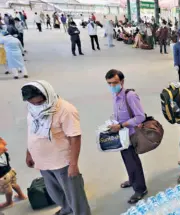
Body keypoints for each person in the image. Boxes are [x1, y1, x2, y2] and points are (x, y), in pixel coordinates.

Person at [22, 80, 91, 214]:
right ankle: (67, 210)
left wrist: (73, 164)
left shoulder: (65, 110)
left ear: (48, 95)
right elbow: (32, 131)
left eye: (39, 102)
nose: (37, 105)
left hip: (62, 162)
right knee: (55, 193)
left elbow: (75, 137)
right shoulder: (32, 109)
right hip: (43, 162)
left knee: (74, 195)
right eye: (32, 103)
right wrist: (29, 152)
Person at [105, 70, 148, 203]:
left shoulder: (130, 96)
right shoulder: (115, 95)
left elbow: (141, 117)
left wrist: (122, 125)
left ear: (122, 82)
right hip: (121, 134)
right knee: (126, 159)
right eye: (109, 83)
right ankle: (132, 179)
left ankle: (140, 189)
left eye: (115, 83)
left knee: (132, 161)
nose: (112, 86)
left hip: (131, 134)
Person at [0, 137, 27, 209]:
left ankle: (9, 202)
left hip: (3, 177)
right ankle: (21, 195)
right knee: (14, 184)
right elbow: (9, 159)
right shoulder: (4, 152)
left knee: (7, 190)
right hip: (10, 171)